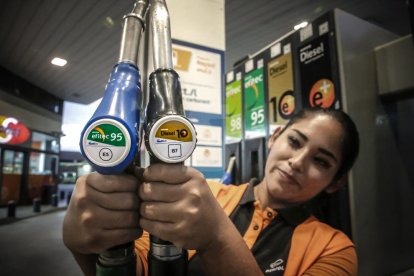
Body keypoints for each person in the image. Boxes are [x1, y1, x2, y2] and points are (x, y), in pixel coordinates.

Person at [63, 108, 359, 276]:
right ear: (275, 136)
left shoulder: (334, 249)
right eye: (295, 141)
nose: (297, 162)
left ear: (335, 182)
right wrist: (90, 247)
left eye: (320, 161)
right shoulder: (206, 196)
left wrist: (217, 238)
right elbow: (137, 270)